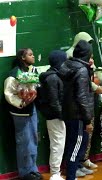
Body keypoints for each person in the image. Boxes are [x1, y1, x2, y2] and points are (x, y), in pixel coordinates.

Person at [4, 48, 42, 180]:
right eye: (30, 55)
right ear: (22, 58)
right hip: (20, 113)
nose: (34, 57)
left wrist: (34, 94)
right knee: (24, 142)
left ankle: (33, 169)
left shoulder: (34, 71)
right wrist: (21, 102)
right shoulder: (14, 74)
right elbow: (9, 94)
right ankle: (25, 172)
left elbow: (37, 87)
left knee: (34, 140)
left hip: (32, 110)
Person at [59, 40, 94, 180]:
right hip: (78, 115)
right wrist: (87, 120)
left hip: (67, 112)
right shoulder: (81, 70)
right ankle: (71, 176)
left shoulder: (66, 65)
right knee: (75, 148)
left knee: (70, 145)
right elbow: (81, 97)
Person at [38, 50, 67, 180]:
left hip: (54, 115)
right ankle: (55, 173)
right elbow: (54, 101)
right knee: (57, 145)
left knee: (58, 144)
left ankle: (56, 172)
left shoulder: (53, 75)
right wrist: (62, 115)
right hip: (55, 116)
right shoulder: (53, 78)